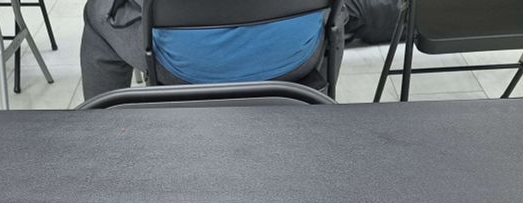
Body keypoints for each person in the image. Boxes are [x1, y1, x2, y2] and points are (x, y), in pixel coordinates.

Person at [80, 0, 347, 100]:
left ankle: (101, 138)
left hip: (187, 69)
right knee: (336, 14)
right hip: (296, 56)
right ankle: (319, 108)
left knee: (97, 13)